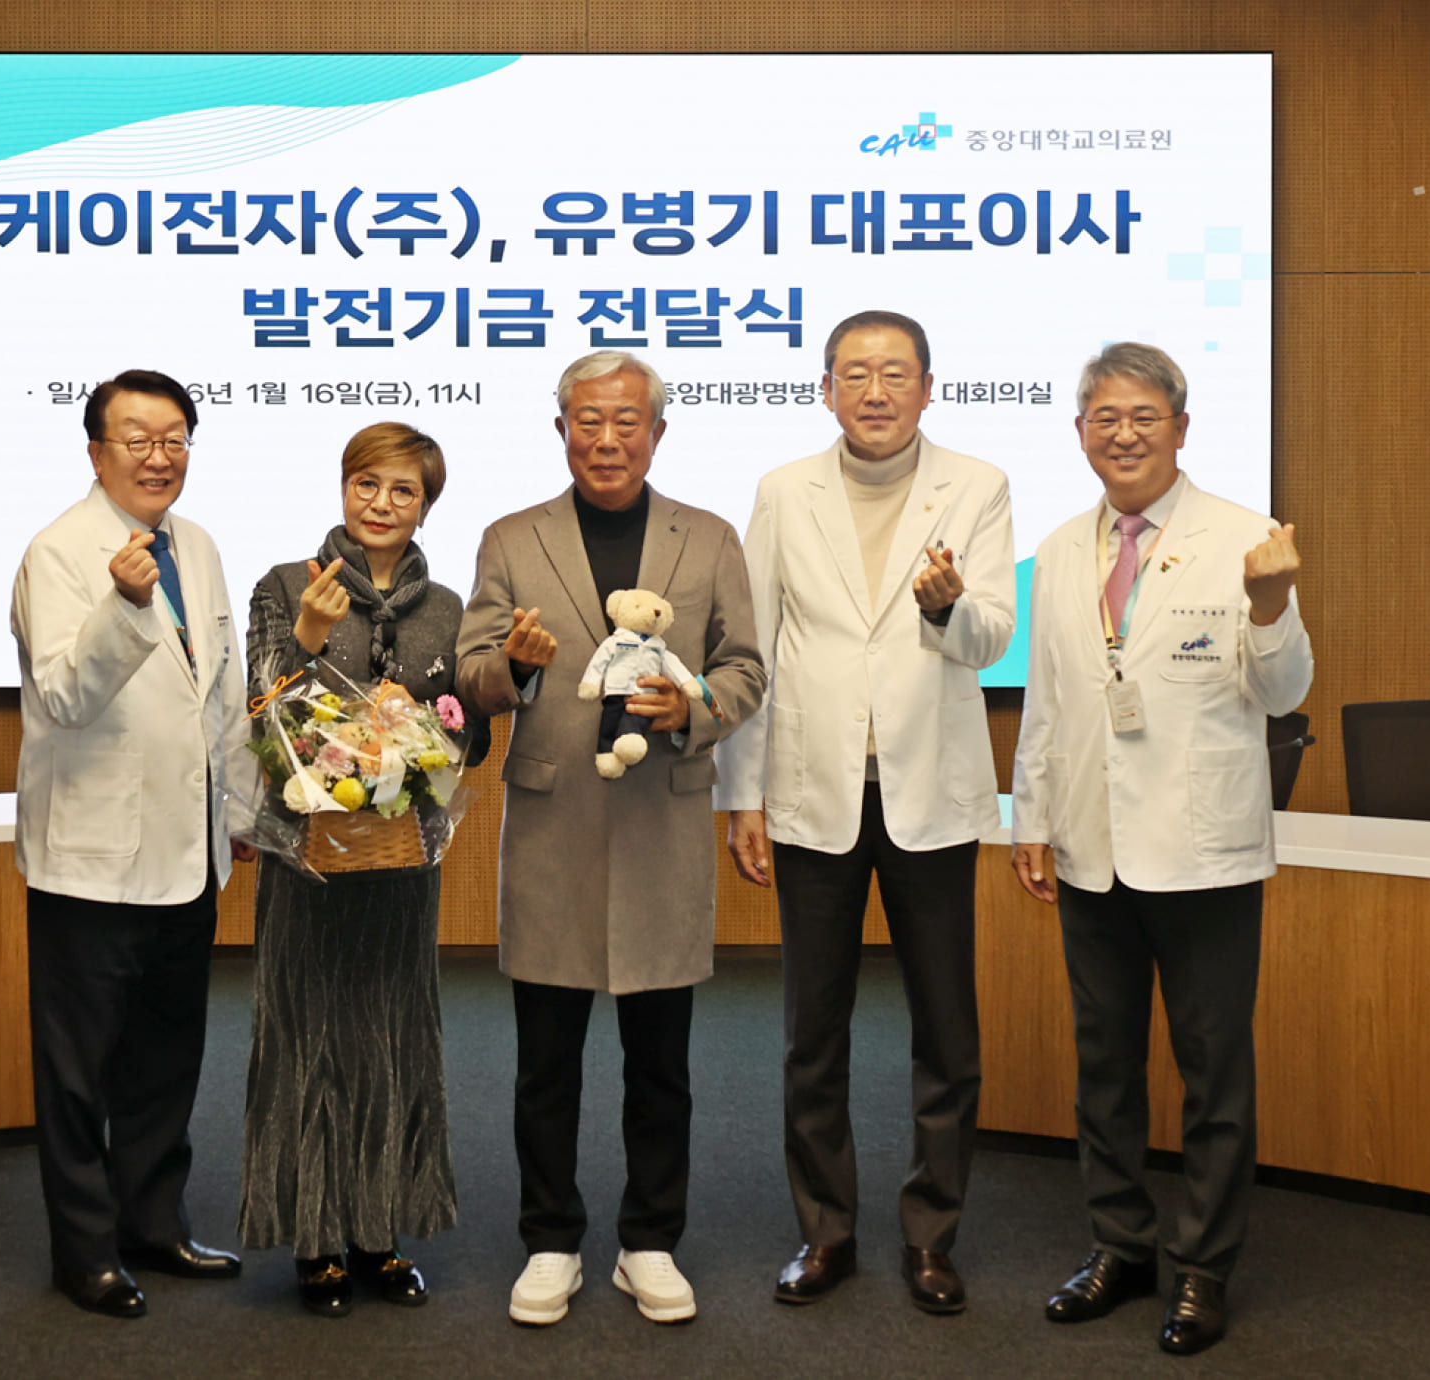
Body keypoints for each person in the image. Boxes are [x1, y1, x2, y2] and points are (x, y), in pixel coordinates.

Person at [1010, 343, 1312, 1357]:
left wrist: (1269, 607)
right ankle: (1120, 1246)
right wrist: (1032, 819)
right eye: (1104, 417)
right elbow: (1051, 699)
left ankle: (1203, 1268)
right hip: (1091, 845)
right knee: (1105, 1065)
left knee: (1212, 1070)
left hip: (1202, 851)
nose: (1124, 434)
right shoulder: (1059, 549)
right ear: (1080, 433)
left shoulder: (1247, 538)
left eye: (1144, 416)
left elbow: (1284, 693)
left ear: (1180, 428)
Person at [455, 350, 766, 1328]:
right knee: (545, 1061)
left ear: (658, 432)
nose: (606, 438)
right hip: (554, 824)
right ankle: (550, 1240)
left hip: (660, 820)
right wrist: (513, 666)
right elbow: (470, 674)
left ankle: (649, 1242)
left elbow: (745, 668)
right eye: (587, 420)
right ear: (560, 430)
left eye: (626, 420)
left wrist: (693, 707)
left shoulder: (708, 537)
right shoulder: (511, 538)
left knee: (660, 1062)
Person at [714, 310, 1015, 1312]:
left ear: (928, 386)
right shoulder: (783, 490)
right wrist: (742, 792)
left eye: (895, 373)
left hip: (930, 791)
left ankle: (932, 1236)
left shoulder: (976, 484)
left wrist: (946, 606)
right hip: (815, 790)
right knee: (814, 1033)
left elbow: (989, 638)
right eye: (855, 373)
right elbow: (753, 650)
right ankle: (825, 1232)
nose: (875, 391)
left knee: (946, 1031)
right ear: (826, 389)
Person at [11, 368, 248, 1318]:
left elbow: (220, 692)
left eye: (175, 438)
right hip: (91, 861)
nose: (160, 457)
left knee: (165, 1056)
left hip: (188, 853)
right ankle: (84, 1251)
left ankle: (154, 1223)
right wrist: (121, 604)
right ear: (96, 452)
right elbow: (64, 695)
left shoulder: (199, 543)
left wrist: (239, 814)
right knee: (79, 1073)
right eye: (138, 439)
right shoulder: (59, 552)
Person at [238, 422, 464, 1317]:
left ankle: (380, 1233)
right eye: (367, 483)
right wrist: (306, 636)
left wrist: (425, 732)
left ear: (425, 506)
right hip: (309, 862)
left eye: (403, 490)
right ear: (343, 488)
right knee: (306, 1042)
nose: (381, 503)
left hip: (402, 857)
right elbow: (262, 711)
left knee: (394, 1040)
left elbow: (468, 736)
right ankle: (315, 1242)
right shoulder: (286, 583)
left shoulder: (446, 607)